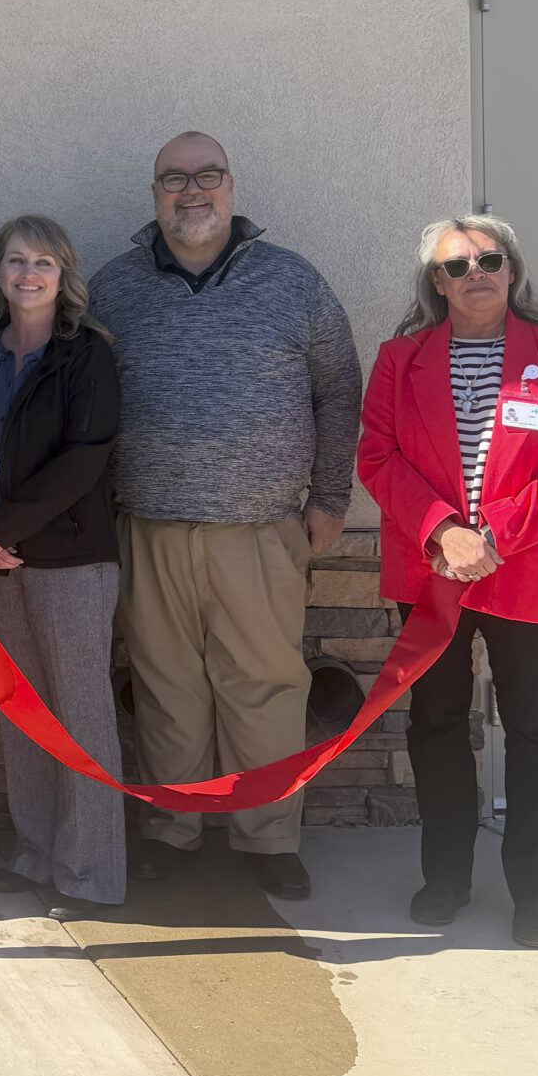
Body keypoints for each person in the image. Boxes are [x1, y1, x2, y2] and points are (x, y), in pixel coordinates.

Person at [88, 133, 360, 902]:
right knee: (165, 684)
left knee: (267, 686)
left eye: (207, 176)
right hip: (147, 524)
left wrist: (331, 498)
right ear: (155, 194)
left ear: (232, 187)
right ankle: (172, 830)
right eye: (174, 179)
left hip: (264, 527)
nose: (191, 191)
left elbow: (339, 388)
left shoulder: (292, 282)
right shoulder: (115, 287)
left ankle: (266, 837)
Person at [358, 215, 538, 948]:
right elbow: (377, 458)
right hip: (431, 569)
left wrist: (492, 537)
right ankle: (446, 879)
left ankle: (537, 894)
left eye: (490, 260)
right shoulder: (401, 359)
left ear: (513, 269)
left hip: (524, 569)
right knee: (435, 724)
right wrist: (444, 530)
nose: (477, 274)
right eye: (458, 266)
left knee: (533, 729)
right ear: (437, 282)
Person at [0, 215, 127, 912]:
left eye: (43, 262)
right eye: (14, 261)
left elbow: (86, 457)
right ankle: (36, 854)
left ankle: (90, 873)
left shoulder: (87, 354)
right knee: (22, 713)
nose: (27, 274)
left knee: (80, 717)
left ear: (65, 274)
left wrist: (2, 528)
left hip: (68, 559)